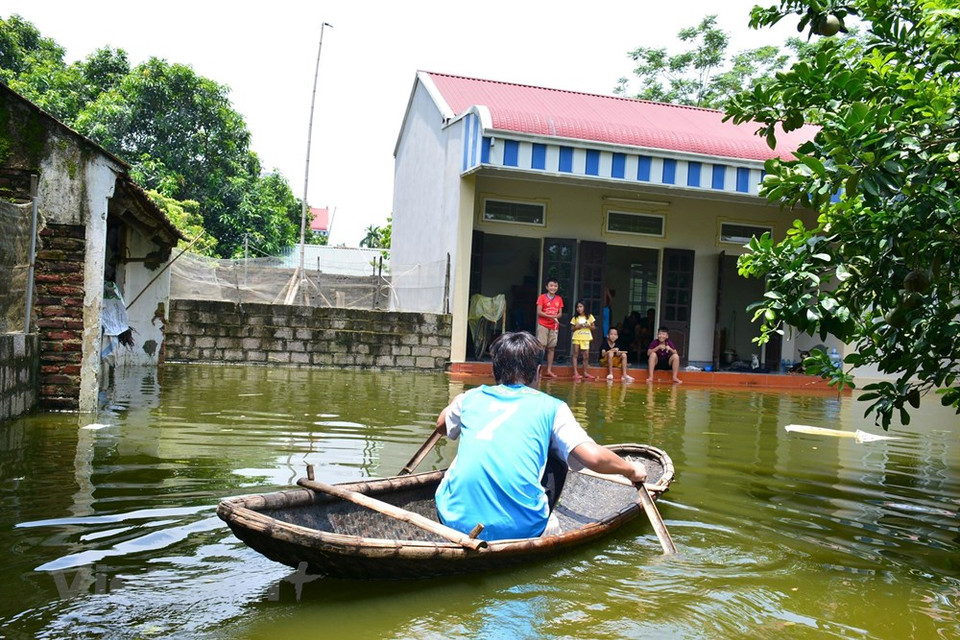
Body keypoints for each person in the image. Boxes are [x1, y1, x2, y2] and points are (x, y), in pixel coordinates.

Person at [434, 331, 647, 541]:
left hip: (451, 520)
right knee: (559, 457)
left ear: (494, 371)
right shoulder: (552, 407)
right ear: (538, 371)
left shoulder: (470, 398)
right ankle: (545, 521)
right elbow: (594, 458)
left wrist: (460, 407)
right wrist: (631, 470)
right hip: (519, 529)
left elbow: (442, 426)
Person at [535, 278, 563, 378]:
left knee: (551, 348)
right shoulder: (542, 297)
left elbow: (560, 313)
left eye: (555, 286)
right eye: (551, 286)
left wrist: (556, 317)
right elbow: (539, 312)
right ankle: (538, 370)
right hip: (543, 325)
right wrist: (551, 316)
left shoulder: (559, 299)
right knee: (541, 347)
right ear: (547, 287)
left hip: (554, 326)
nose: (553, 288)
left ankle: (549, 370)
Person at [569, 300, 596, 381]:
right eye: (577, 307)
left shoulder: (590, 316)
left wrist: (588, 326)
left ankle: (585, 372)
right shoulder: (575, 317)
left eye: (581, 307)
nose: (579, 309)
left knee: (586, 356)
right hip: (577, 337)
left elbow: (593, 327)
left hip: (586, 337)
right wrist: (576, 327)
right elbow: (572, 328)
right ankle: (575, 372)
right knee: (575, 353)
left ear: (585, 307)